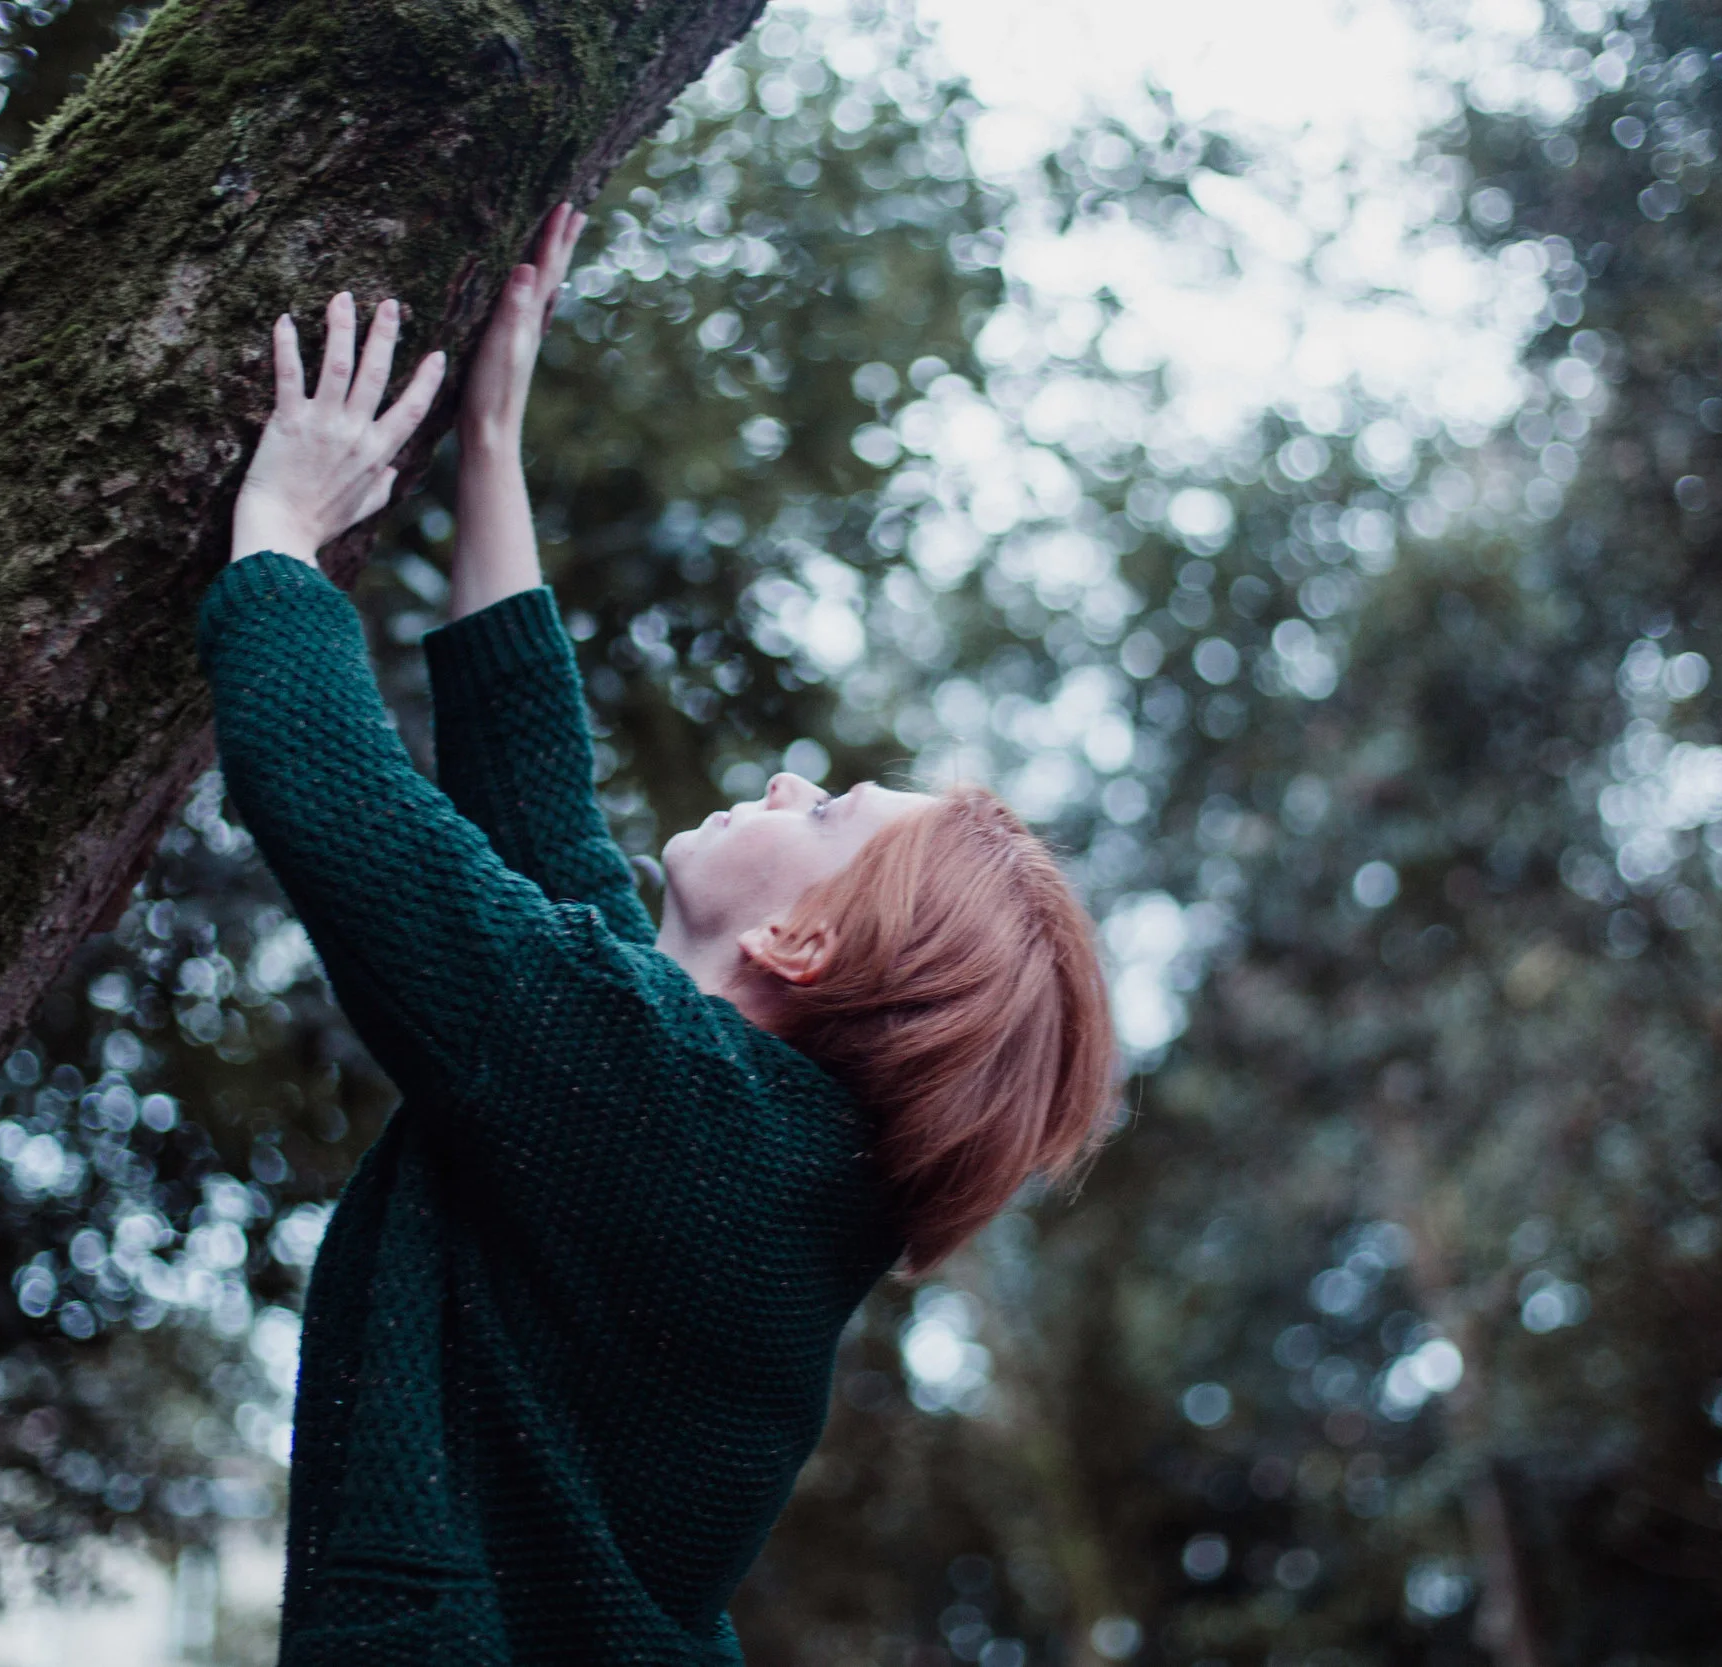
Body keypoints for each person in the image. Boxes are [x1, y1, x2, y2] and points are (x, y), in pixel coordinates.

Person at [197, 203, 1116, 1664]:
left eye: (824, 813)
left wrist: (279, 532)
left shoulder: (668, 1114)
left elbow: (347, 813)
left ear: (807, 946)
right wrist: (488, 441)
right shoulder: (732, 1150)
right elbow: (542, 829)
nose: (786, 779)